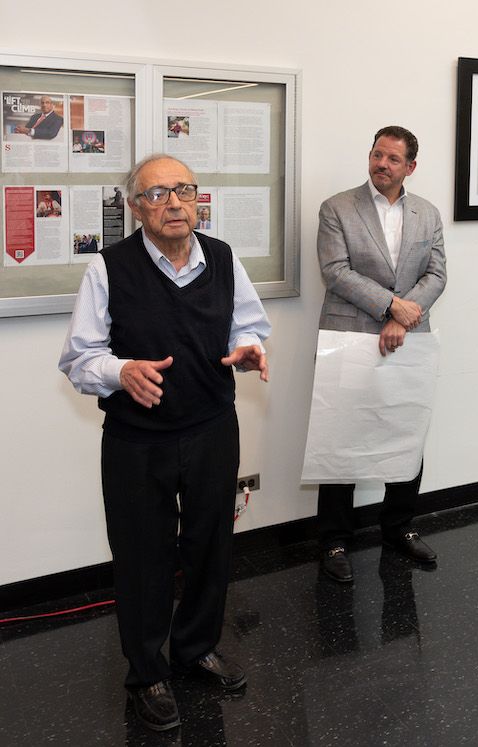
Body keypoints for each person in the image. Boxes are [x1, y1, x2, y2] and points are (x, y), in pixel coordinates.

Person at [59, 154, 271, 732]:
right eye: (157, 194)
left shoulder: (223, 257)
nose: (174, 203)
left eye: (183, 190)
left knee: (209, 548)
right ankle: (147, 673)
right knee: (143, 557)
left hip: (210, 428)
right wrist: (120, 371)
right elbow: (79, 359)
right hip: (137, 441)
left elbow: (247, 323)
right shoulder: (109, 268)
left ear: (198, 198)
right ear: (136, 208)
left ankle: (196, 646)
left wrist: (249, 347)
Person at [315, 125, 446, 583]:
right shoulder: (337, 208)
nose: (381, 165)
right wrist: (390, 305)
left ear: (410, 166)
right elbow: (335, 271)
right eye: (376, 155)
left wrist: (401, 318)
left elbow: (436, 274)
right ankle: (334, 540)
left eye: (392, 159)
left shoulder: (427, 213)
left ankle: (400, 529)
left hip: (408, 338)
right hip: (349, 336)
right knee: (342, 434)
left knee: (404, 429)